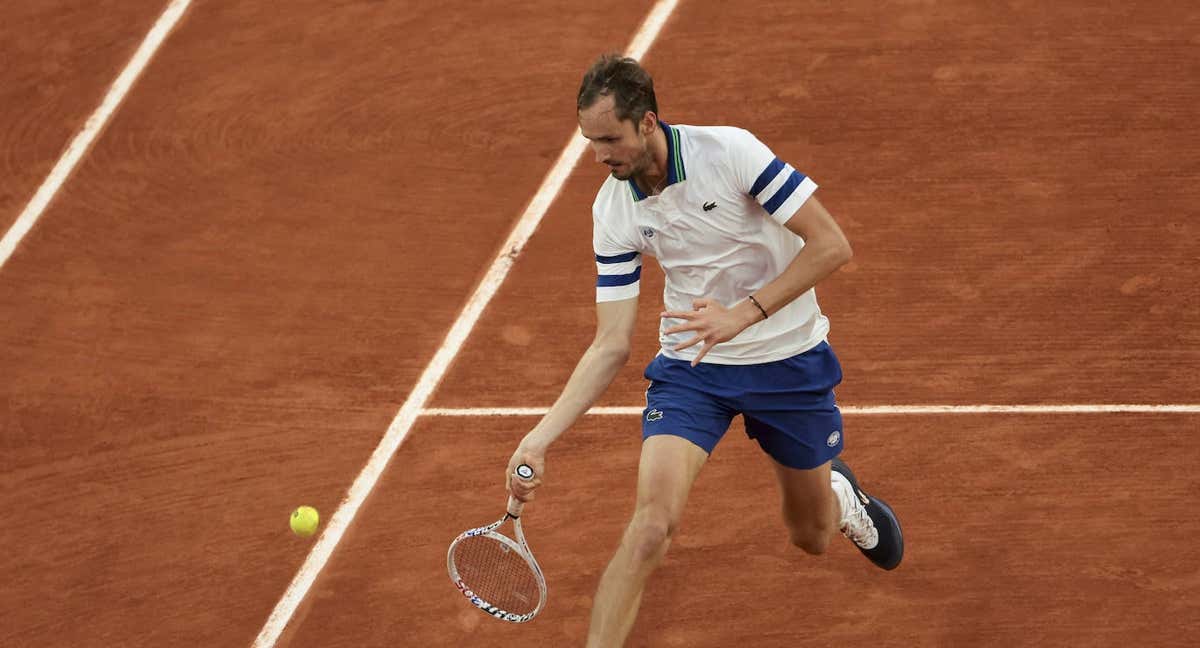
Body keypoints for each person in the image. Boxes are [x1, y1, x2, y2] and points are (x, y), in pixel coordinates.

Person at [505, 53, 904, 647]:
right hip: (693, 370)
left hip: (787, 360)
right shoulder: (612, 208)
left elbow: (831, 245)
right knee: (649, 531)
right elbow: (612, 344)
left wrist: (742, 316)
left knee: (811, 536)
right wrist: (539, 436)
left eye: (609, 139)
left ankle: (837, 497)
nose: (599, 156)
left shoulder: (731, 153)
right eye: (590, 141)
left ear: (647, 123)